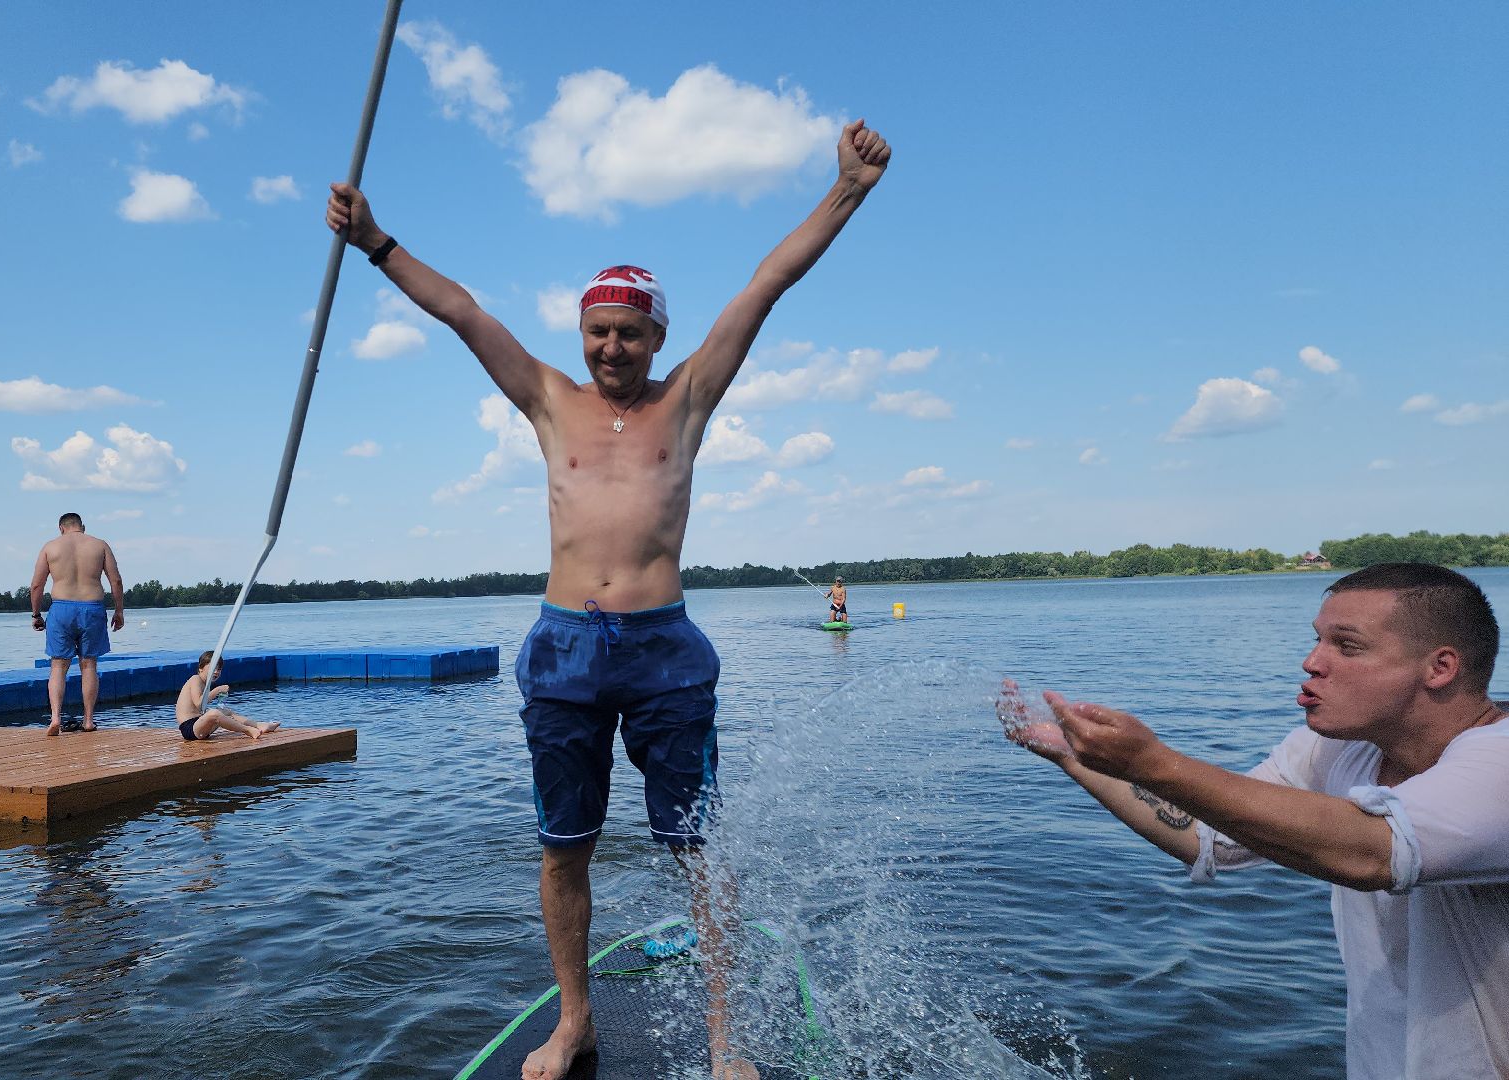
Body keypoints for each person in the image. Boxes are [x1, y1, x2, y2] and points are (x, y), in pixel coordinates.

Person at [329, 119, 892, 1080]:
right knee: (564, 848)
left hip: (665, 649)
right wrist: (376, 242)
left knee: (700, 850)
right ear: (580, 334)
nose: (612, 347)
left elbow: (766, 285)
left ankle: (724, 1038)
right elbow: (463, 313)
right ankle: (574, 1022)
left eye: (629, 332)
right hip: (565, 651)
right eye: (598, 330)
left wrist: (845, 190)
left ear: (658, 336)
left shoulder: (687, 399)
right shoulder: (550, 401)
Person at [1001, 563, 1508, 1080]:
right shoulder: (1335, 749)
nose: (1312, 661)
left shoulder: (1500, 762)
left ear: (1439, 667)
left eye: (1346, 646)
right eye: (1317, 639)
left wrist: (1151, 762)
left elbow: (1373, 851)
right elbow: (1208, 835)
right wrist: (1073, 755)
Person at [29, 512, 124, 736]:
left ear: (61, 528)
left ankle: (55, 718)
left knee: (58, 666)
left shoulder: (50, 547)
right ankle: (88, 720)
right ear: (83, 526)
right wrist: (119, 611)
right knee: (89, 665)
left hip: (61, 609)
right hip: (92, 608)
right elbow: (116, 580)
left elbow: (36, 585)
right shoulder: (100, 545)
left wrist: (36, 614)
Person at [175, 652, 280, 741]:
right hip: (189, 729)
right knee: (214, 713)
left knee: (226, 712)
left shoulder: (205, 684)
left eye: (219, 669)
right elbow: (199, 703)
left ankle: (259, 725)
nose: (216, 672)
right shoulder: (195, 679)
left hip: (200, 726)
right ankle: (247, 730)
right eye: (213, 668)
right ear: (201, 668)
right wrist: (217, 690)